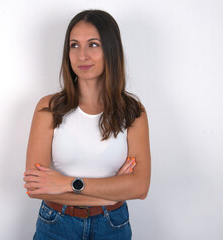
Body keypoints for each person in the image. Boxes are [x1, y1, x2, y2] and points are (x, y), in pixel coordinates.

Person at [23, 9, 151, 240]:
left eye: (93, 44)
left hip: (112, 227)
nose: (82, 55)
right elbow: (35, 188)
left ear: (110, 50)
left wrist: (66, 183)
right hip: (55, 225)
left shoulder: (133, 112)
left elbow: (140, 187)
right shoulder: (49, 108)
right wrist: (112, 192)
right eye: (74, 45)